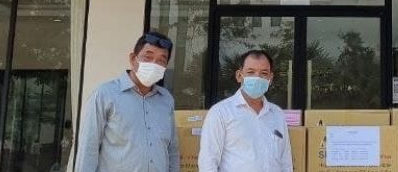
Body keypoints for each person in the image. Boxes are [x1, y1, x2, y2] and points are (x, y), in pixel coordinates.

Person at [76, 31, 178, 172]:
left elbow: (172, 150)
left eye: (161, 60)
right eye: (148, 57)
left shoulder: (166, 100)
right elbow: (88, 148)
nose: (154, 64)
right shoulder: (105, 95)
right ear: (133, 59)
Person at [199, 50, 292, 172]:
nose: (257, 77)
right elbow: (208, 161)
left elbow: (285, 161)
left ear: (270, 78)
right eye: (251, 72)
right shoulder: (220, 113)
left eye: (264, 73)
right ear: (239, 76)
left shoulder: (277, 114)